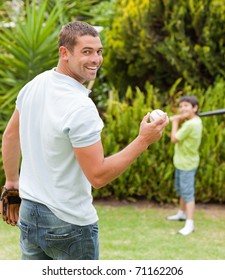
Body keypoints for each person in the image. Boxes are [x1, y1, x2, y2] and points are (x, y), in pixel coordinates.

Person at [2, 21, 168, 260]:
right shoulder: (80, 106)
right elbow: (98, 176)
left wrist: (11, 182)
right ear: (64, 53)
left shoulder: (34, 85)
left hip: (30, 214)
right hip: (69, 224)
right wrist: (143, 140)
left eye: (99, 51)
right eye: (87, 52)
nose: (96, 60)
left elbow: (10, 135)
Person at [167, 95, 202, 236]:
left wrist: (175, 121)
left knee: (187, 194)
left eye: (186, 106)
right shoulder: (195, 120)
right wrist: (182, 118)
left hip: (186, 164)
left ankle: (190, 224)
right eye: (181, 106)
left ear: (195, 108)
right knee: (182, 189)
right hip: (184, 162)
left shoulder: (190, 124)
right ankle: (181, 214)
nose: (182, 108)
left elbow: (174, 139)